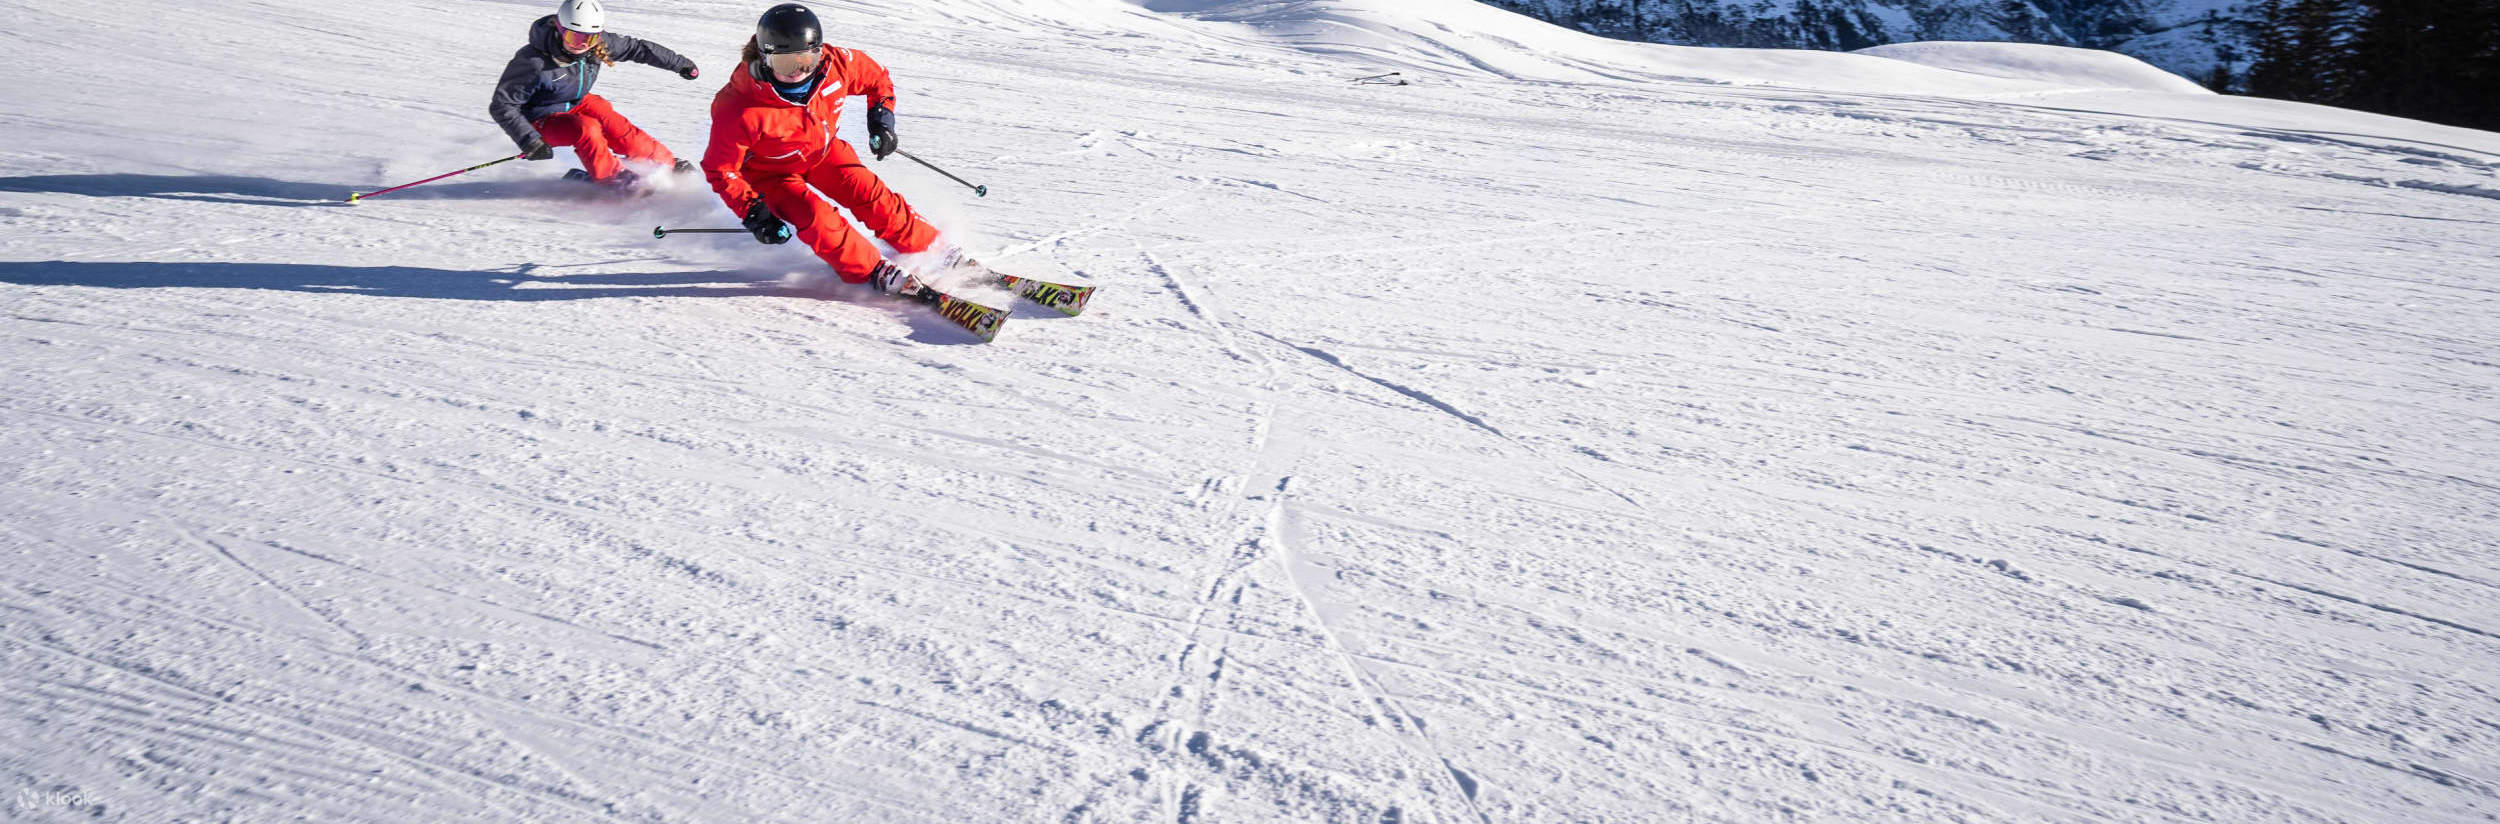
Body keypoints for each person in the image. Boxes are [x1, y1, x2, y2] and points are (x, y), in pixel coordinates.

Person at [702, 3, 945, 294]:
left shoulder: (835, 65)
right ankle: (871, 270)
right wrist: (754, 212)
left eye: (808, 60)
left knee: (870, 193)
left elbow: (877, 78)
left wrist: (881, 119)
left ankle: (931, 248)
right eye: (785, 63)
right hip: (770, 173)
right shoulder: (739, 107)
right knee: (816, 217)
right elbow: (720, 169)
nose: (799, 71)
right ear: (764, 59)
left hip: (823, 151)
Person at [490, 0, 702, 189]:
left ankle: (665, 164)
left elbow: (638, 48)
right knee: (586, 128)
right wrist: (529, 141)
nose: (582, 45)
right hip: (539, 120)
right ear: (560, 29)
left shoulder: (597, 45)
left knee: (612, 121)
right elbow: (502, 105)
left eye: (589, 38)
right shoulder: (533, 63)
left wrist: (679, 64)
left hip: (575, 101)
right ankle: (613, 177)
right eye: (574, 37)